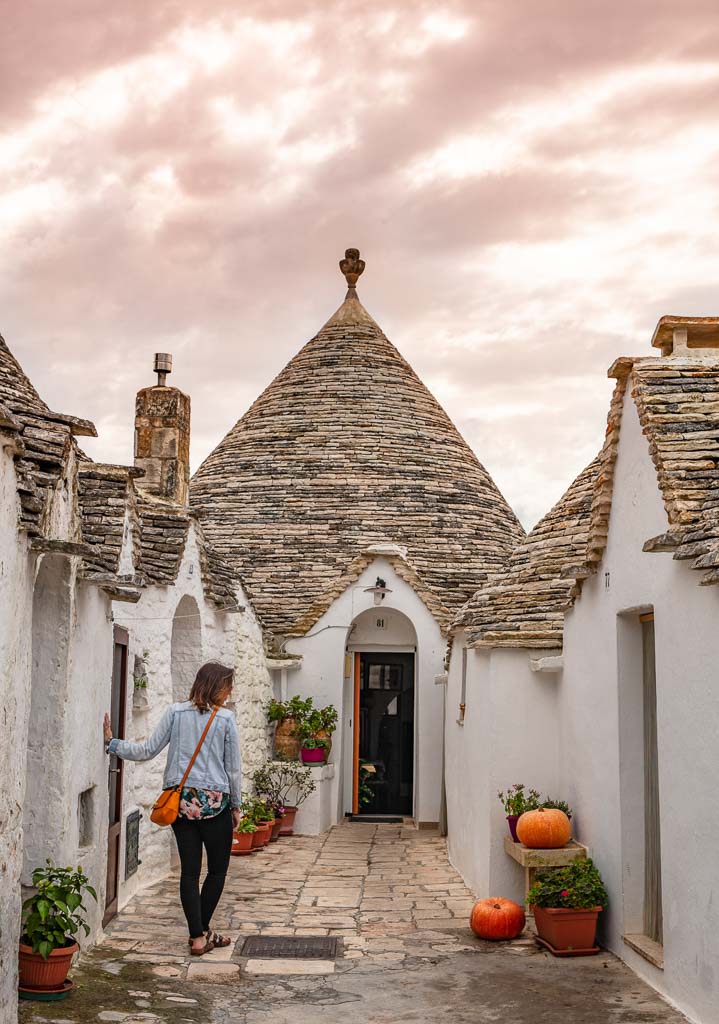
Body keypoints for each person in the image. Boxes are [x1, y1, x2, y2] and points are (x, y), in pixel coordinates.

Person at [103, 661, 242, 956]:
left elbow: (146, 750)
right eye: (228, 685)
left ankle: (199, 936)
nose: (230, 691)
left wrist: (112, 744)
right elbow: (233, 770)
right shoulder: (226, 719)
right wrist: (236, 806)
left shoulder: (175, 713)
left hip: (180, 805)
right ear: (217, 686)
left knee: (189, 873)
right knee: (217, 872)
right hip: (216, 805)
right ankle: (201, 934)